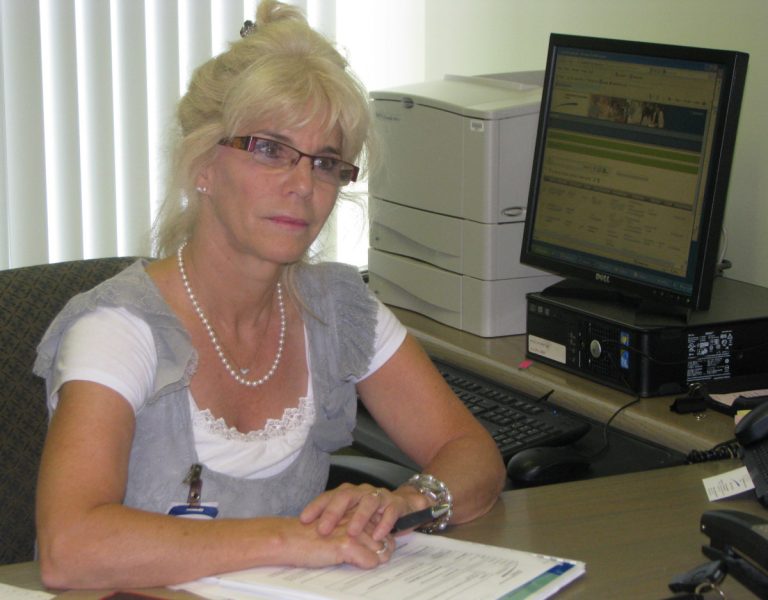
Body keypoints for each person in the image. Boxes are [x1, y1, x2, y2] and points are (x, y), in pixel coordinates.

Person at [33, 0, 505, 590]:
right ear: (202, 164)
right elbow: (68, 548)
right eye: (269, 149)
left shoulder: (339, 309)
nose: (302, 184)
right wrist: (294, 540)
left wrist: (407, 502)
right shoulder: (121, 328)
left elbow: (472, 452)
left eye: (326, 162)